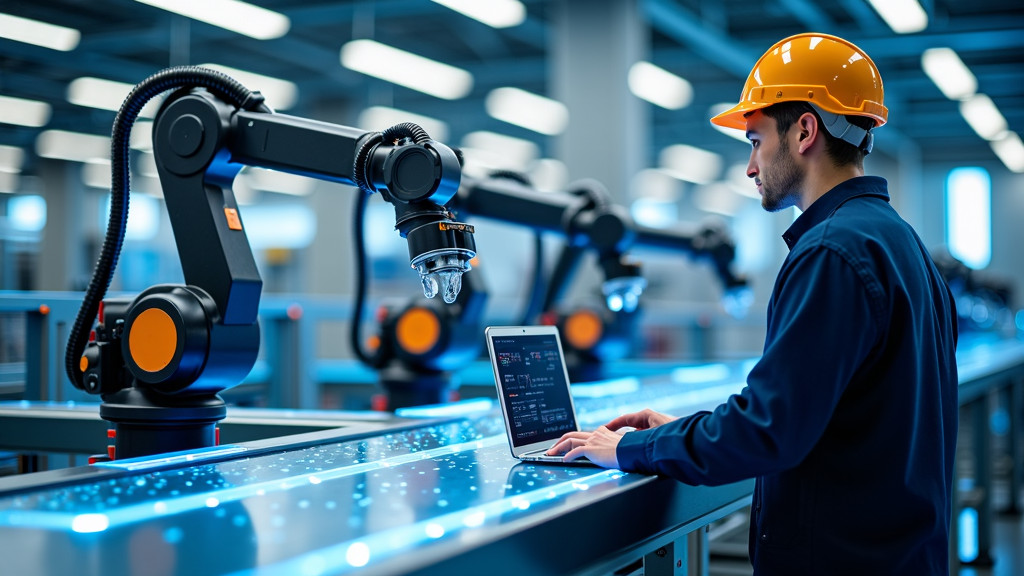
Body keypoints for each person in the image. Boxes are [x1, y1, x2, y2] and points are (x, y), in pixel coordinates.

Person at [549, 33, 959, 575]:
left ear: (805, 131)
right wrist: (670, 434)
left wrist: (629, 449)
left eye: (755, 140)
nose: (749, 166)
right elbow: (824, 422)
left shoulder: (833, 252)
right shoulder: (902, 243)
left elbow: (768, 432)